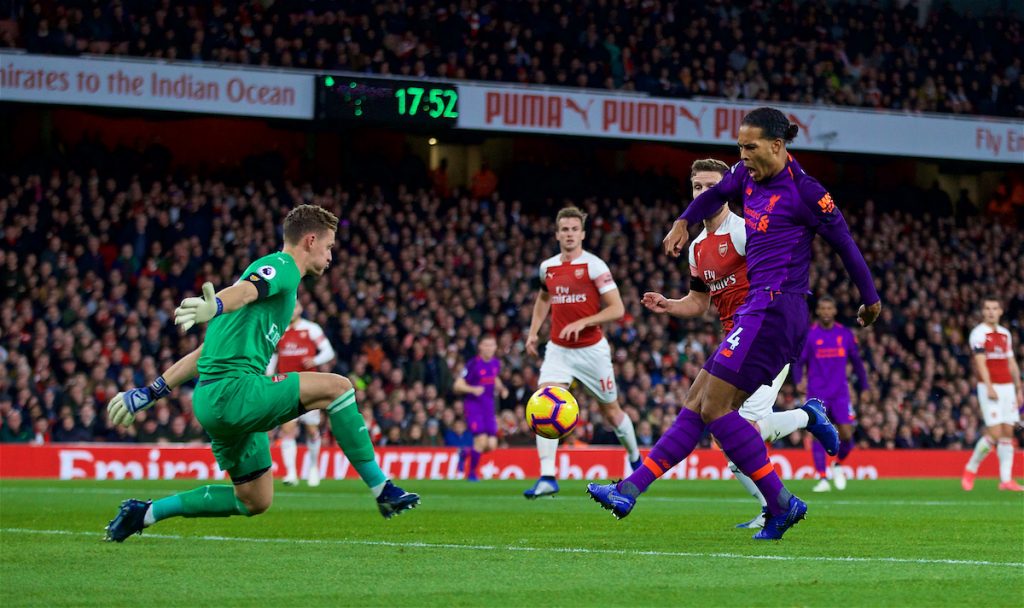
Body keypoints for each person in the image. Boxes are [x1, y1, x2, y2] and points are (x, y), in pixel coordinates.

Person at [588, 107, 881, 540]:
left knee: (714, 408)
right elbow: (711, 197)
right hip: (753, 314)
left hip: (778, 311)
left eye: (750, 146)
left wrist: (870, 299)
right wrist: (682, 221)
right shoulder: (746, 179)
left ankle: (781, 502)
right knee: (697, 403)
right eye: (739, 146)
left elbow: (846, 245)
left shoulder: (806, 192)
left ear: (777, 146)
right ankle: (629, 490)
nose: (742, 155)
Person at [103, 205, 419, 542]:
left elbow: (204, 353)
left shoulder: (264, 295)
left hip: (212, 401)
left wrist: (152, 391)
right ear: (310, 240)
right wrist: (217, 305)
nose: (330, 256)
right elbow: (246, 290)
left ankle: (145, 513)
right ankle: (382, 488)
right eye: (329, 247)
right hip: (236, 393)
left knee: (255, 500)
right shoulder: (282, 268)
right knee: (339, 387)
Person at [640, 158, 839, 529]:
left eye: (711, 186)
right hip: (734, 342)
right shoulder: (696, 247)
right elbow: (699, 302)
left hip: (763, 337)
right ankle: (778, 495)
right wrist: (669, 305)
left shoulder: (745, 231)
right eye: (697, 187)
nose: (704, 193)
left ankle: (803, 429)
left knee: (733, 427)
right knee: (726, 430)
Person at [523, 206, 641, 498]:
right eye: (564, 229)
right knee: (544, 402)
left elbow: (617, 309)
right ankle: (547, 476)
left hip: (591, 351)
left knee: (611, 413)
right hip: (558, 350)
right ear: (557, 234)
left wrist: (584, 321)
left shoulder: (594, 266)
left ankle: (636, 459)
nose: (569, 234)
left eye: (574, 229)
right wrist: (533, 331)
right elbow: (543, 297)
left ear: (583, 234)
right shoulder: (547, 267)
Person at [792, 295, 869, 492]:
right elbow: (798, 362)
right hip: (817, 394)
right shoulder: (810, 336)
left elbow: (858, 364)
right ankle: (823, 478)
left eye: (829, 308)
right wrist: (799, 379)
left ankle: (837, 465)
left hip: (840, 393)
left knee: (847, 434)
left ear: (834, 311)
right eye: (823, 308)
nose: (826, 312)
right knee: (819, 434)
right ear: (818, 311)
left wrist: (865, 387)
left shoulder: (845, 335)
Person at [266, 300, 337, 487]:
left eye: (295, 306)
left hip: (308, 386)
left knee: (312, 429)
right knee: (287, 429)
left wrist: (315, 359)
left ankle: (313, 467)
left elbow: (329, 352)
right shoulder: (279, 329)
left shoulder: (312, 329)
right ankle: (291, 473)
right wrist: (267, 375)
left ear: (301, 309)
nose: (292, 310)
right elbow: (274, 355)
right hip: (285, 386)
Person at [961, 297, 1023, 491]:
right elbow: (980, 362)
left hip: (1007, 388)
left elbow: (1011, 362)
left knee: (1007, 432)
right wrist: (988, 385)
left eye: (994, 308)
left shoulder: (1005, 334)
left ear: (1000, 311)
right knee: (994, 432)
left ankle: (1006, 480)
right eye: (987, 308)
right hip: (990, 386)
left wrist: (1019, 388)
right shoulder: (978, 333)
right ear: (983, 311)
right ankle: (971, 468)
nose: (991, 312)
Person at [453, 335, 508, 481]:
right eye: (486, 345)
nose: (489, 348)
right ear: (480, 347)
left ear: (496, 347)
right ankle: (471, 473)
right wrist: (472, 389)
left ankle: (465, 453)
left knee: (491, 445)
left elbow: (495, 377)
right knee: (481, 441)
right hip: (474, 406)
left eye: (492, 345)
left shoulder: (496, 363)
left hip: (489, 407)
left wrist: (501, 388)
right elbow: (457, 384)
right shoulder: (473, 364)